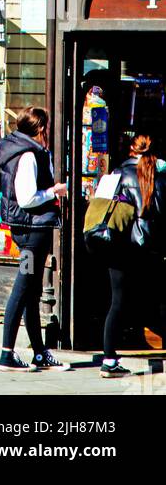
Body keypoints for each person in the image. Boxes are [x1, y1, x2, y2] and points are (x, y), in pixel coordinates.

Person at [0, 106, 69, 373]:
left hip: (27, 229)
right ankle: (6, 353)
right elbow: (26, 197)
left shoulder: (20, 149)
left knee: (32, 290)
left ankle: (39, 352)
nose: (49, 132)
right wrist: (54, 191)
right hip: (31, 231)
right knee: (23, 288)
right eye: (46, 127)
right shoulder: (27, 155)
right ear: (40, 129)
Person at [99, 134, 166, 380]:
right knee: (158, 298)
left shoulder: (117, 173)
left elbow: (101, 207)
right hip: (148, 246)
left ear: (130, 149)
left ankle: (108, 359)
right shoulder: (158, 175)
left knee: (117, 302)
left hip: (117, 245)